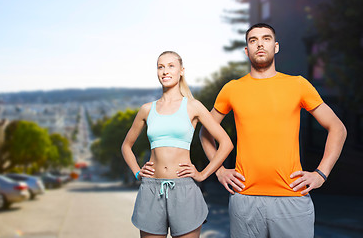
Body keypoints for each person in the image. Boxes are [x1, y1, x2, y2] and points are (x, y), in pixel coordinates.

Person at [200, 23, 347, 238]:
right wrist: (220, 170)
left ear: (276, 47)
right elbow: (205, 132)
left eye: (266, 38)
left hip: (292, 198)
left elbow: (338, 128)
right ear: (246, 50)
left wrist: (320, 174)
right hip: (244, 199)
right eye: (253, 40)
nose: (260, 44)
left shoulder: (298, 85)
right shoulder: (232, 88)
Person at [122, 51, 233, 238]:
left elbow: (226, 143)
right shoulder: (146, 109)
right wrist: (137, 172)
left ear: (181, 71)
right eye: (160, 67)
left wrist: (203, 174)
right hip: (151, 189)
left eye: (171, 66)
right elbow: (126, 146)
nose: (165, 71)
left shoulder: (193, 106)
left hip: (185, 190)